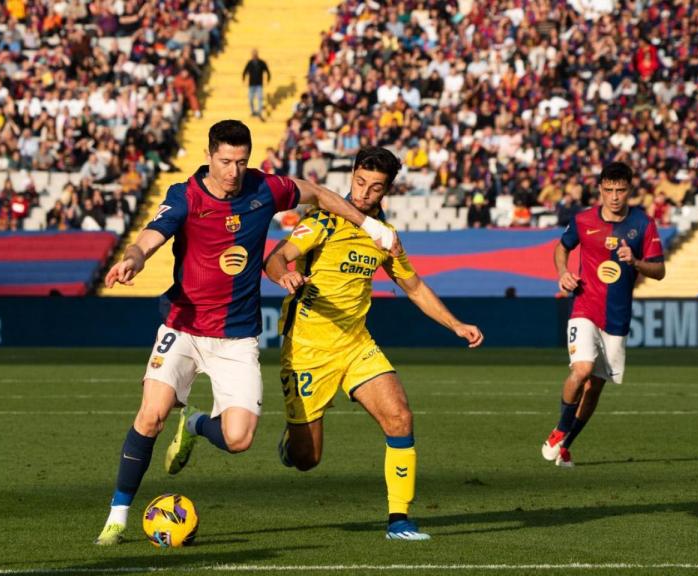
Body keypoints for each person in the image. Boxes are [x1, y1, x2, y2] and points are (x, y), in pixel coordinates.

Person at [93, 120, 398, 545]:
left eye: (241, 161)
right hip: (183, 326)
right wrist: (133, 260)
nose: (234, 171)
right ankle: (118, 516)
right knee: (151, 415)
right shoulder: (186, 196)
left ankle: (197, 424)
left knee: (239, 438)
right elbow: (150, 236)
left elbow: (321, 195)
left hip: (236, 338)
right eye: (225, 161)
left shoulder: (265, 189)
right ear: (209, 155)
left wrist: (371, 227)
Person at [265, 147, 484, 541]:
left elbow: (413, 285)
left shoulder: (385, 237)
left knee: (399, 417)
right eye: (359, 182)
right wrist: (285, 276)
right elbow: (277, 258)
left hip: (355, 343)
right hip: (308, 348)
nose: (363, 193)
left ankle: (399, 520)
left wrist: (455, 324)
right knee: (307, 459)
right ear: (352, 176)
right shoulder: (324, 221)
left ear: (387, 191)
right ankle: (281, 439)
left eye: (374, 188)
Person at [541, 162, 665, 467]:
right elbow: (562, 247)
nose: (614, 197)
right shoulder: (583, 220)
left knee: (595, 386)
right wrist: (563, 272)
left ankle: (567, 444)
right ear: (600, 189)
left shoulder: (644, 224)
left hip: (617, 318)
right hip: (584, 306)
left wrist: (635, 262)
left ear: (629, 189)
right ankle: (559, 429)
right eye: (608, 190)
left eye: (620, 190)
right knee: (581, 370)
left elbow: (659, 270)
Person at [242, 49, 270, 119]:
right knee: (251, 99)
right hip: (251, 84)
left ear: (257, 55)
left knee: (259, 98)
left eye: (255, 55)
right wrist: (243, 78)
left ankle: (259, 112)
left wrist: (268, 78)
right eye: (253, 55)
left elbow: (267, 71)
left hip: (259, 84)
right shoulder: (250, 63)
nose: (254, 56)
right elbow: (245, 71)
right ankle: (253, 111)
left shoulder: (261, 63)